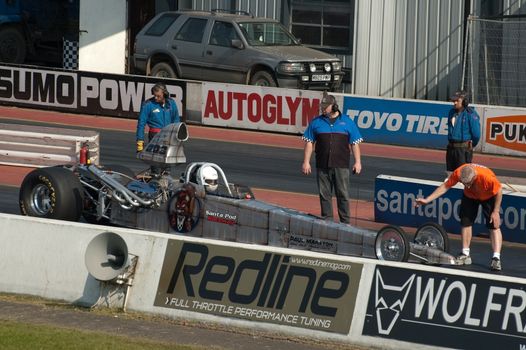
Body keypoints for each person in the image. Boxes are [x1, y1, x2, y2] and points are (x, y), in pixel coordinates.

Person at [415, 163, 503, 271]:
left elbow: (499, 191)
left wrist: (496, 211)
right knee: (465, 221)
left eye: (469, 183)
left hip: (488, 196)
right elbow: (445, 186)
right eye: (464, 183)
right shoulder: (458, 173)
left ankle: (496, 258)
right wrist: (427, 200)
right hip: (470, 196)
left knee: (493, 225)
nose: (467, 186)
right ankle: (465, 254)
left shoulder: (486, 177)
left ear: (474, 176)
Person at [302, 92, 363, 224]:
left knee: (343, 195)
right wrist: (306, 162)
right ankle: (327, 222)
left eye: (326, 106)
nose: (322, 108)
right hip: (322, 165)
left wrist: (358, 162)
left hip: (341, 165)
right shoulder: (316, 122)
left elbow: (355, 143)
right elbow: (309, 142)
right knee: (324, 195)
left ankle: (345, 223)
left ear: (334, 107)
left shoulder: (347, 122)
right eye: (322, 106)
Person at [136, 82, 180, 152]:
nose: (156, 98)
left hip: (169, 136)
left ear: (164, 94)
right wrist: (140, 142)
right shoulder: (147, 105)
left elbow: (176, 120)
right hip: (154, 136)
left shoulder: (171, 103)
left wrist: (177, 138)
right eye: (154, 95)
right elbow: (141, 123)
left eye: (158, 96)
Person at [446, 90, 481, 171]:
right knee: (450, 175)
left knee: (463, 176)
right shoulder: (451, 112)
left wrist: (470, 146)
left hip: (463, 150)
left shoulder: (471, 114)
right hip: (451, 149)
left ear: (465, 102)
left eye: (457, 101)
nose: (454, 103)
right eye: (453, 101)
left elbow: (476, 134)